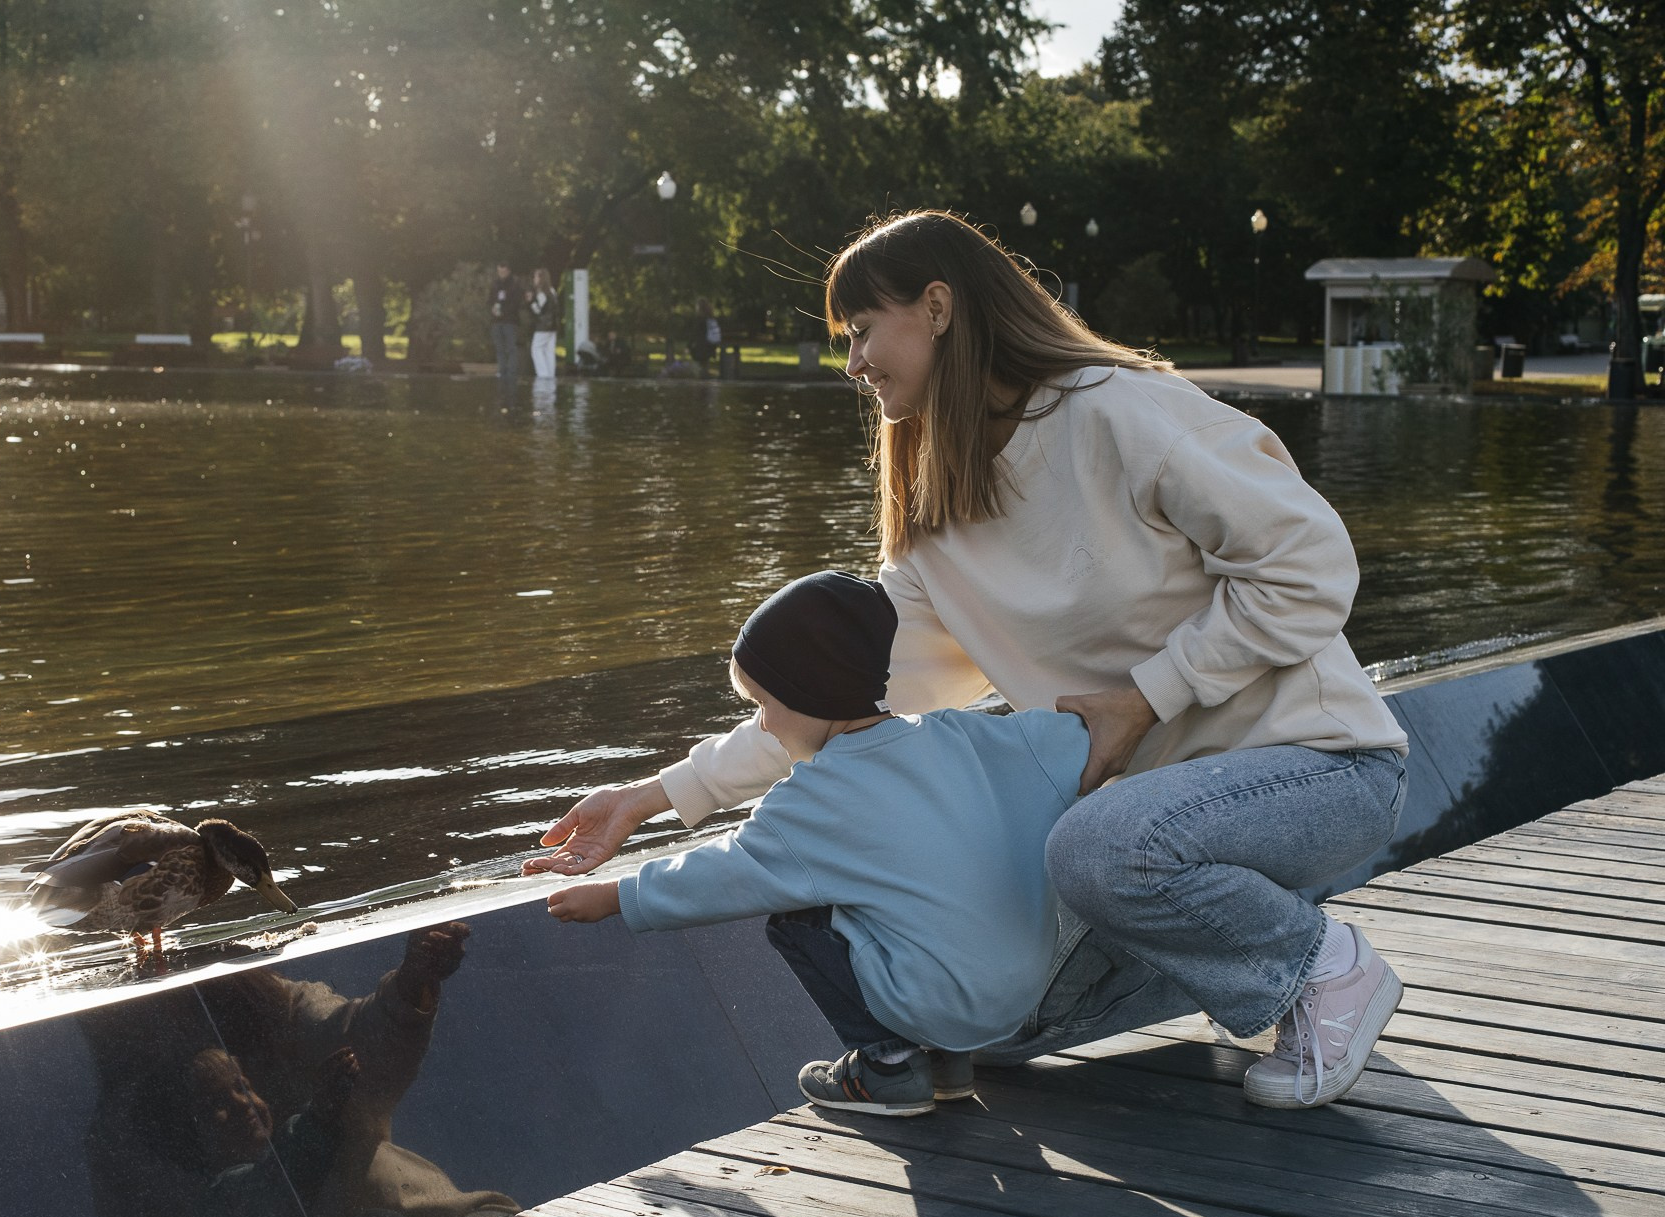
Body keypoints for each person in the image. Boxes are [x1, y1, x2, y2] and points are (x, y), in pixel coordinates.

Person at [529, 209, 1411, 1112]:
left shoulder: (1117, 411)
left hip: (1316, 771)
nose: (854, 363)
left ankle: (1322, 966)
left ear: (939, 306)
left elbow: (1309, 567)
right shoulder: (938, 529)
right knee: (986, 1022)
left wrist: (1149, 696)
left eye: (864, 331)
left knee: (1094, 847)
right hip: (1150, 832)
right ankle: (1250, 951)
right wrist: (647, 799)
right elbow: (820, 712)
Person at [548, 571, 1090, 1117]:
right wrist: (1136, 703)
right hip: (1020, 999)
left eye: (764, 703)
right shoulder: (965, 736)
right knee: (918, 895)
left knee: (797, 915)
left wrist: (619, 895)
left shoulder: (814, 799)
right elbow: (1071, 736)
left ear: (809, 691)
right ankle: (948, 1065)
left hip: (937, 1003)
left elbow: (731, 870)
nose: (761, 725)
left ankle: (887, 1065)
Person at [488, 263, 523, 388]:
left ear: (508, 270)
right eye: (499, 271)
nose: (501, 274)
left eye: (503, 271)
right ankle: (502, 371)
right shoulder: (495, 284)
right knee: (499, 348)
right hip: (497, 321)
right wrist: (493, 309)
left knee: (511, 347)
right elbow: (490, 299)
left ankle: (511, 372)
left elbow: (516, 303)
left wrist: (504, 312)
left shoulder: (515, 284)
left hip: (510, 321)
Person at [527, 268, 561, 380]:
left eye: (536, 277)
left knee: (536, 349)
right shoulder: (552, 290)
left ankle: (543, 374)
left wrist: (531, 301)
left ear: (541, 278)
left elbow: (539, 311)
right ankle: (550, 375)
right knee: (549, 351)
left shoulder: (541, 293)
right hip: (553, 326)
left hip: (543, 326)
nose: (534, 279)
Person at [687, 297, 722, 375]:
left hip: (700, 347)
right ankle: (705, 379)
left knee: (700, 367)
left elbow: (694, 334)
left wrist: (688, 346)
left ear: (699, 307)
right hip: (709, 346)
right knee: (705, 365)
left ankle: (702, 380)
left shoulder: (700, 319)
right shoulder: (711, 318)